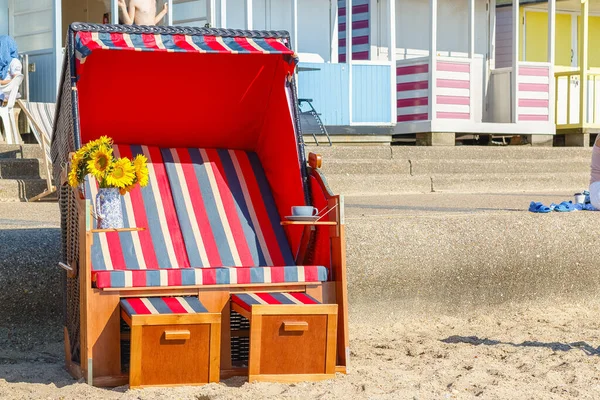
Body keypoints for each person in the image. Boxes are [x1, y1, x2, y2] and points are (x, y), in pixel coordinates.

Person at [0, 36, 22, 104]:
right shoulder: (1, 62)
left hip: (6, 91)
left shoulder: (14, 62)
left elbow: (16, 81)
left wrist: (1, 82)